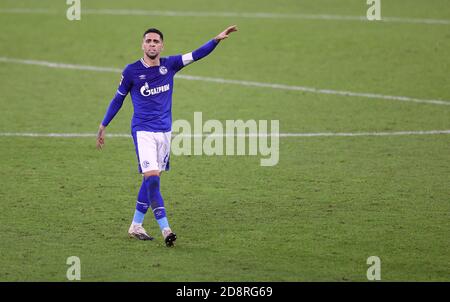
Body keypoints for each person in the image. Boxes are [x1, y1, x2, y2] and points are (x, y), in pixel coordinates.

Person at [96, 25, 238, 247]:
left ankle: (135, 225)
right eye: (148, 41)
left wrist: (216, 40)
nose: (152, 44)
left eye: (156, 41)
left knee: (151, 179)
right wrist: (104, 124)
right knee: (152, 178)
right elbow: (118, 99)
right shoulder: (131, 71)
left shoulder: (170, 65)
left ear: (162, 46)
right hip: (143, 131)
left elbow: (196, 55)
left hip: (165, 132)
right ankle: (165, 229)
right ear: (142, 45)